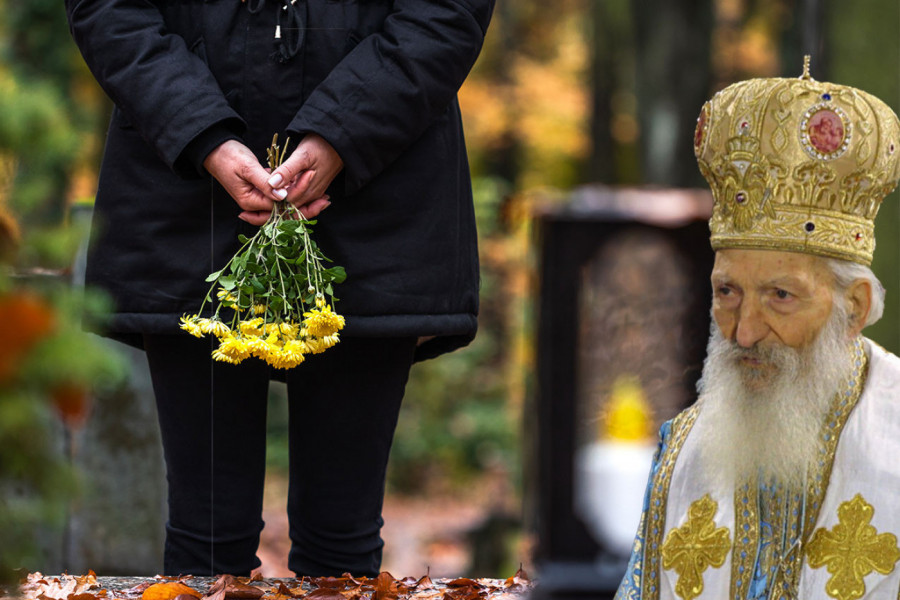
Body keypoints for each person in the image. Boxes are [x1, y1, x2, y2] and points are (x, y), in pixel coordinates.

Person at [64, 0, 494, 578]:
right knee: (206, 539)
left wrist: (343, 134)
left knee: (340, 545)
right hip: (187, 196)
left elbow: (445, 12)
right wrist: (203, 135)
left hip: (377, 194)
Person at [616, 59, 900, 600]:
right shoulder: (682, 448)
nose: (744, 333)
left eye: (781, 296)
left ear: (855, 307)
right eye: (727, 293)